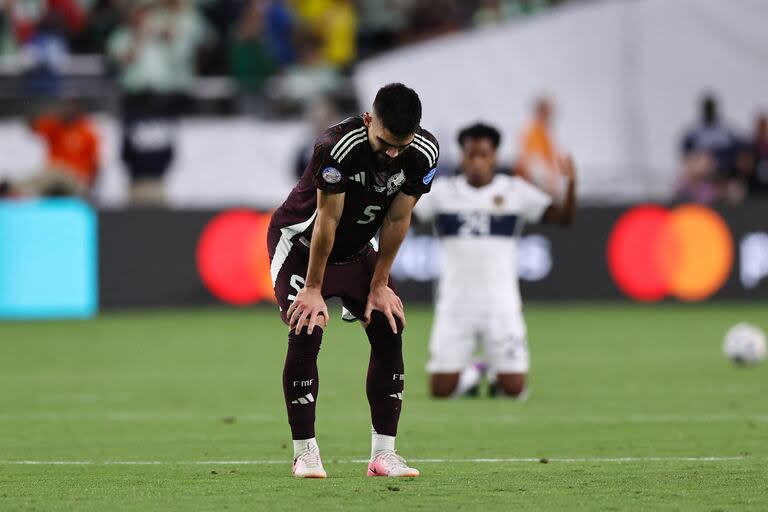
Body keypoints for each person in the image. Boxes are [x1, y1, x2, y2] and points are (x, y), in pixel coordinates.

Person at [267, 83, 439, 478]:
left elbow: (397, 219)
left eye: (402, 144)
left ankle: (384, 455)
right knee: (307, 327)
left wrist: (380, 284)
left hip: (358, 251)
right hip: (301, 245)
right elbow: (327, 222)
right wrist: (313, 290)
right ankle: (304, 452)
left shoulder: (424, 154)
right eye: (385, 142)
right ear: (368, 120)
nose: (392, 153)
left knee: (388, 325)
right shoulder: (337, 147)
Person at [413, 122, 575, 399]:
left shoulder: (515, 191)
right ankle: (475, 372)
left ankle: (492, 374)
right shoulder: (442, 192)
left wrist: (569, 184)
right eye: (470, 154)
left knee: (514, 390)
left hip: (501, 304)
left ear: (494, 157)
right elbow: (404, 217)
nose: (476, 162)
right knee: (440, 392)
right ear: (462, 156)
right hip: (454, 305)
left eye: (483, 155)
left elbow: (562, 219)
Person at [517, 96, 565, 200]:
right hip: (533, 185)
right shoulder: (533, 131)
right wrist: (550, 183)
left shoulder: (545, 132)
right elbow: (534, 163)